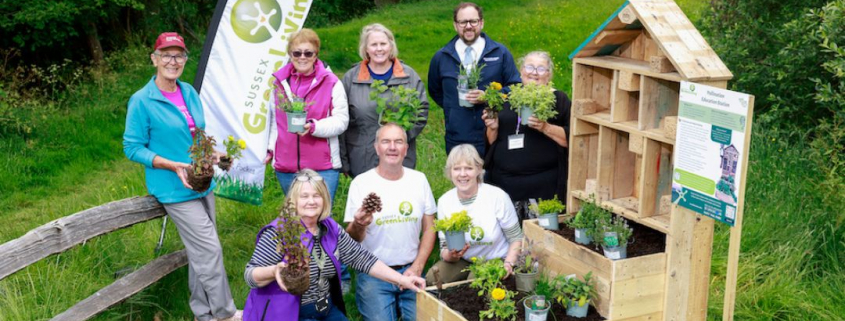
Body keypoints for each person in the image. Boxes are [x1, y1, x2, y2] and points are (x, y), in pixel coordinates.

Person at [123, 32, 240, 321]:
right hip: (173, 189)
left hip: (201, 182)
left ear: (185, 60)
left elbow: (196, 134)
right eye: (166, 54)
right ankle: (225, 314)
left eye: (179, 56)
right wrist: (172, 165)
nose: (172, 61)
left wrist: (211, 156)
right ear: (154, 59)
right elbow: (132, 148)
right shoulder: (142, 101)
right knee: (210, 249)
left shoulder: (188, 92)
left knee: (202, 253)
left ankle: (204, 313)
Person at [242, 169, 426, 321]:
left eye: (317, 195)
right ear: (293, 201)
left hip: (325, 309)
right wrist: (275, 270)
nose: (311, 201)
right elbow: (250, 275)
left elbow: (361, 258)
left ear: (324, 200)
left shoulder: (329, 227)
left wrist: (402, 280)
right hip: (288, 314)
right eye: (304, 196)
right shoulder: (278, 232)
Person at [344, 123, 437, 321]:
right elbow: (352, 239)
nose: (392, 147)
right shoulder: (360, 183)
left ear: (406, 148)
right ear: (377, 147)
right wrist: (359, 224)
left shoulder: (419, 180)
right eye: (386, 141)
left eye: (398, 142)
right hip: (374, 272)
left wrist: (418, 266)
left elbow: (430, 228)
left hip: (411, 269)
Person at [483, 51, 571, 220]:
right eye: (529, 67)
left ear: (549, 74)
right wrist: (492, 128)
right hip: (505, 184)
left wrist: (545, 127)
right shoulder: (505, 98)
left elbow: (572, 139)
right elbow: (490, 142)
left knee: (540, 239)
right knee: (509, 237)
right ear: (521, 71)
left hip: (543, 187)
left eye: (541, 68)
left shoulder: (558, 100)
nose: (534, 72)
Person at [428, 2, 521, 156]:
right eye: (463, 22)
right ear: (455, 25)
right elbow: (435, 90)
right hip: (458, 136)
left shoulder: (500, 53)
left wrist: (488, 97)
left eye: (473, 21)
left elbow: (516, 86)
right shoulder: (442, 57)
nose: (468, 26)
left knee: (493, 179)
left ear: (481, 23)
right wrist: (454, 111)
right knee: (461, 177)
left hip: (494, 132)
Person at [266, 28, 349, 200]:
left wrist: (314, 127)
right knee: (295, 219)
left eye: (308, 53)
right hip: (286, 167)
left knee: (321, 217)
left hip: (322, 167)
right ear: (290, 54)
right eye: (297, 53)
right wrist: (270, 149)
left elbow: (341, 121)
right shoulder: (279, 83)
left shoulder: (331, 82)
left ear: (316, 54)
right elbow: (275, 123)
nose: (302, 57)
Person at [424, 144, 523, 285]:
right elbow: (444, 247)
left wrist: (508, 264)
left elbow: (516, 239)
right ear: (450, 172)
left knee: (475, 280)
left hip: (495, 258)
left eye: (468, 168)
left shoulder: (497, 197)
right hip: (463, 259)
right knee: (434, 277)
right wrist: (451, 255)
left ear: (478, 170)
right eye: (457, 169)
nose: (462, 174)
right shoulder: (445, 201)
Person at [341, 23, 429, 178]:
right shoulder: (351, 78)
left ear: (391, 46)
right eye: (374, 44)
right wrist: (344, 160)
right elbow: (342, 120)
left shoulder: (408, 76)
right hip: (362, 158)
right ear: (366, 49)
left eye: (383, 44)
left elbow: (421, 111)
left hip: (400, 158)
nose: (379, 49)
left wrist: (399, 138)